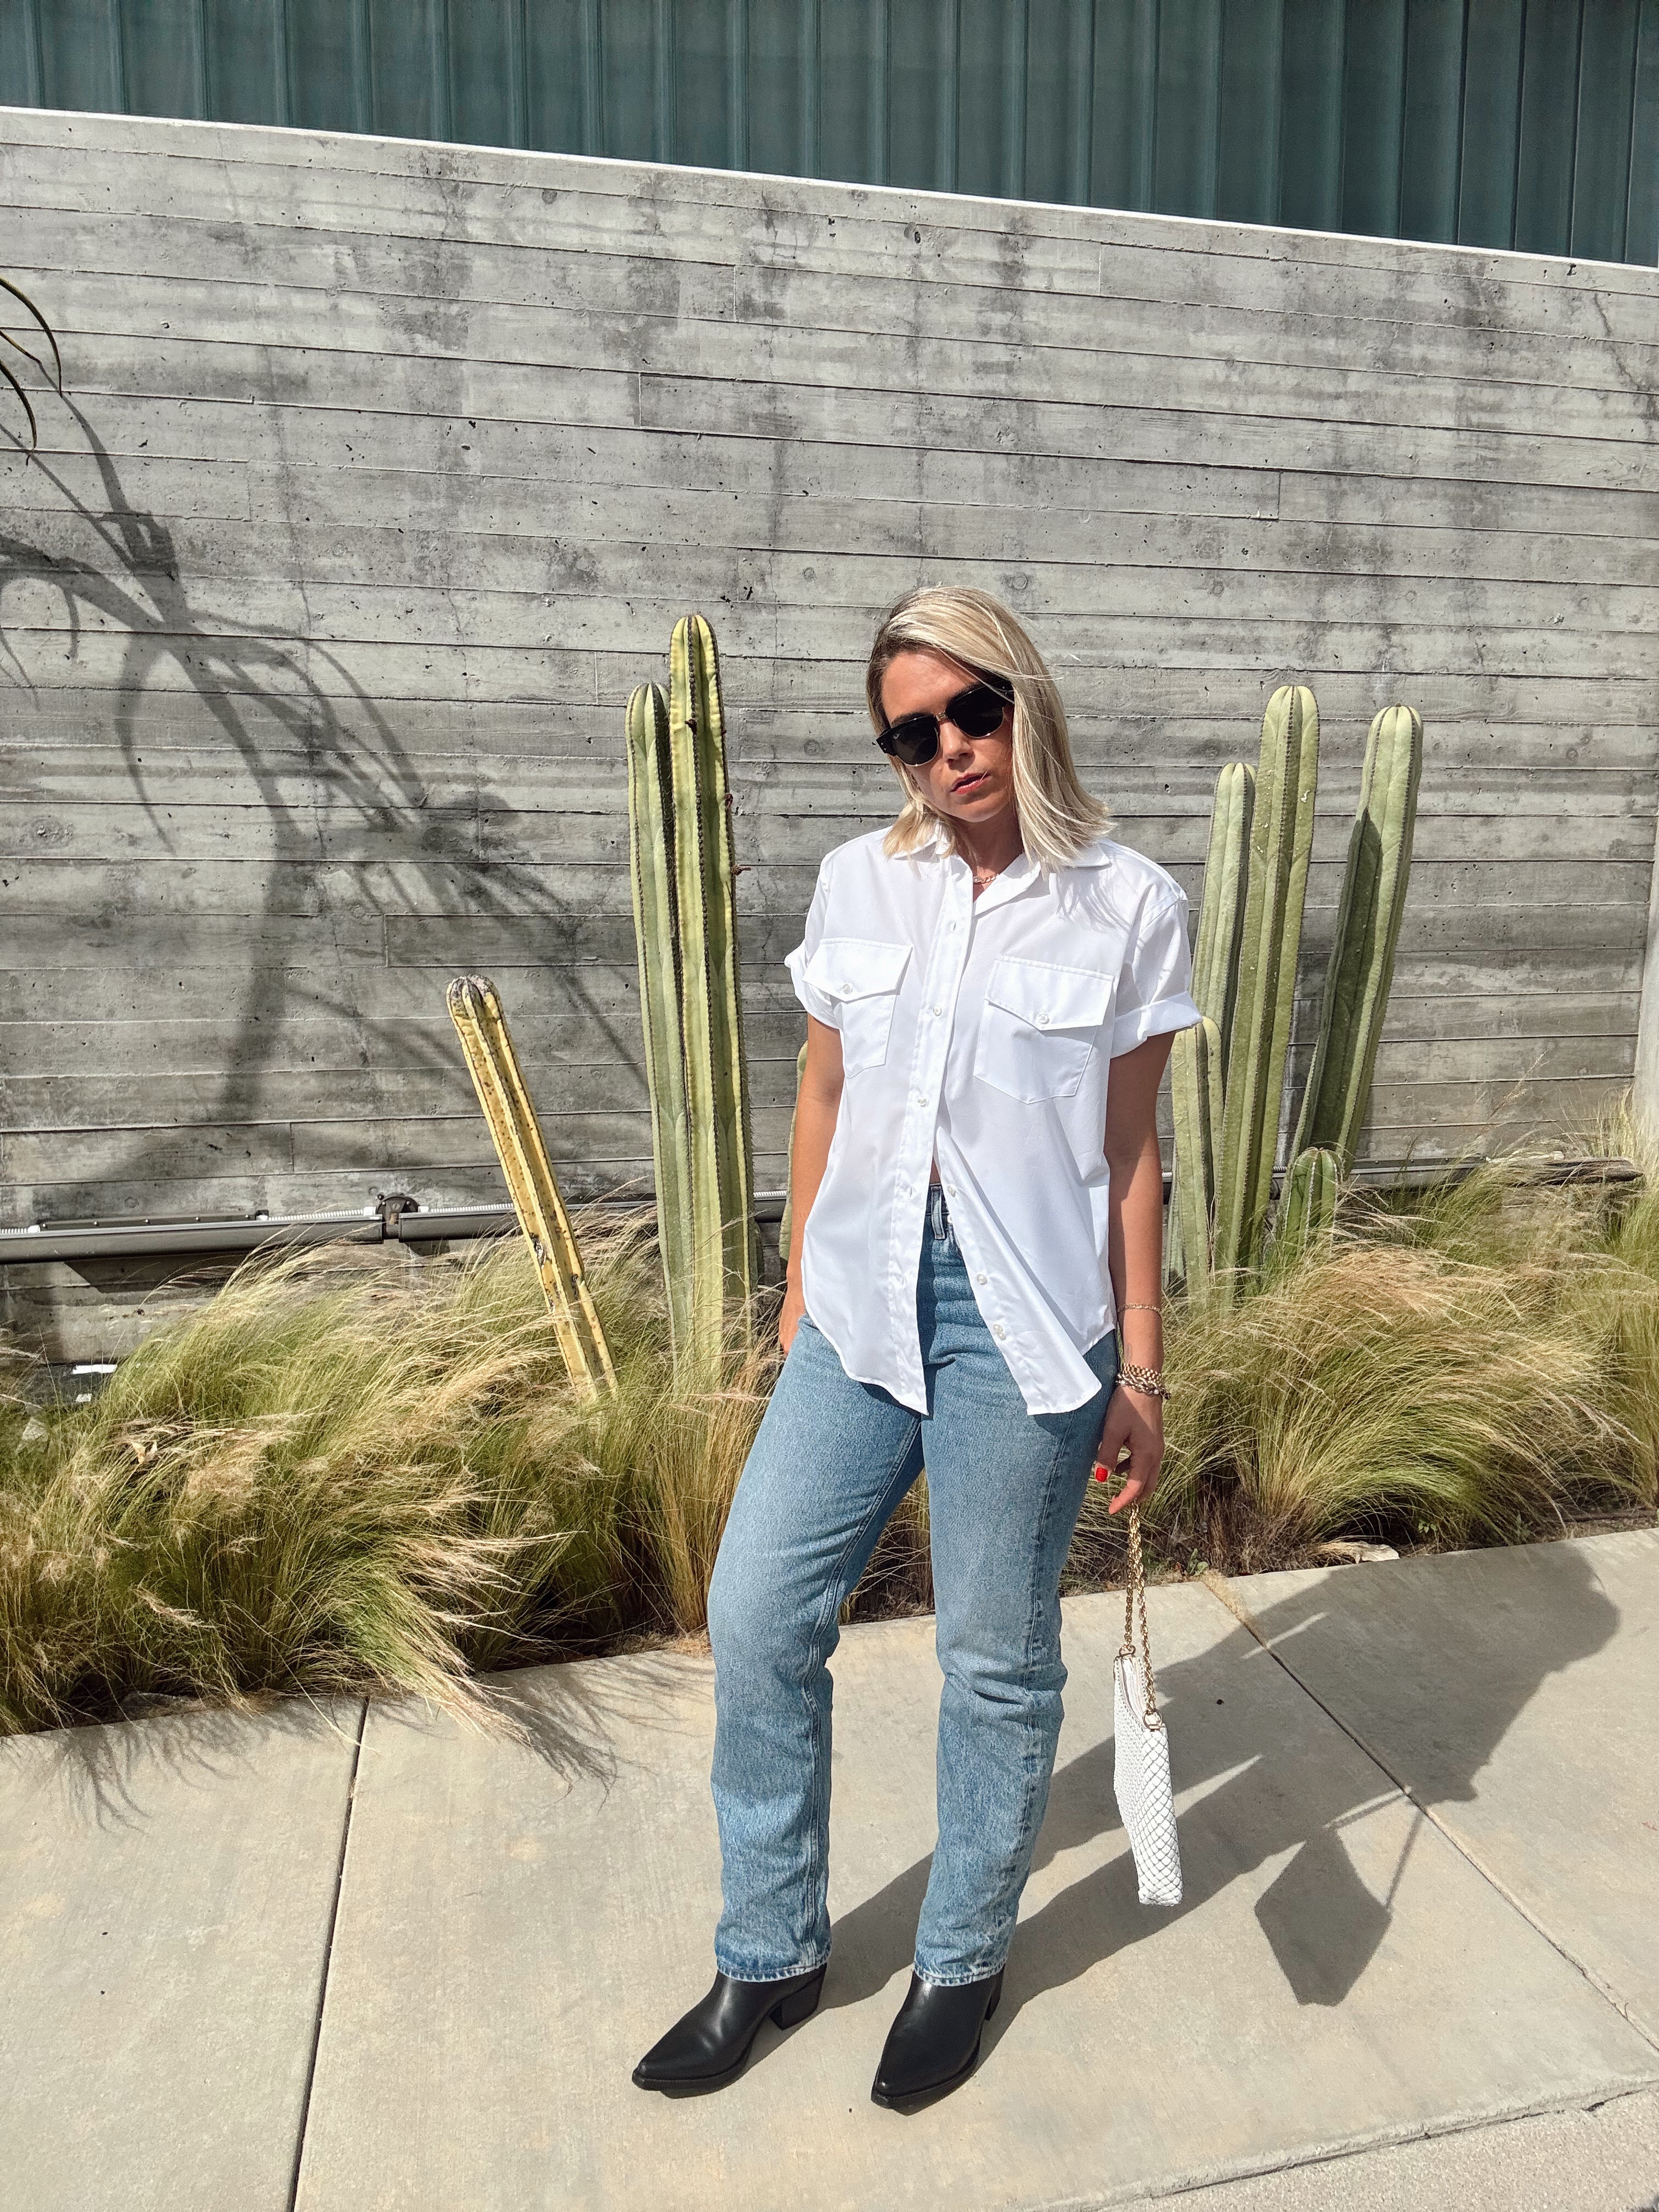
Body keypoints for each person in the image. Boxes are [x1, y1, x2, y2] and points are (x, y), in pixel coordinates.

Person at [633, 586, 1200, 2110]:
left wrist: (1141, 1367)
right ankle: (769, 1949)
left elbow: (1132, 1156)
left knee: (994, 1661)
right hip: (861, 1305)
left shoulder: (1130, 902)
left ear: (1026, 697)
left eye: (973, 710)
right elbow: (824, 1092)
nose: (949, 749)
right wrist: (800, 1287)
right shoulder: (856, 885)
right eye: (912, 730)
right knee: (756, 1609)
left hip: (1029, 1330)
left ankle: (960, 1958)